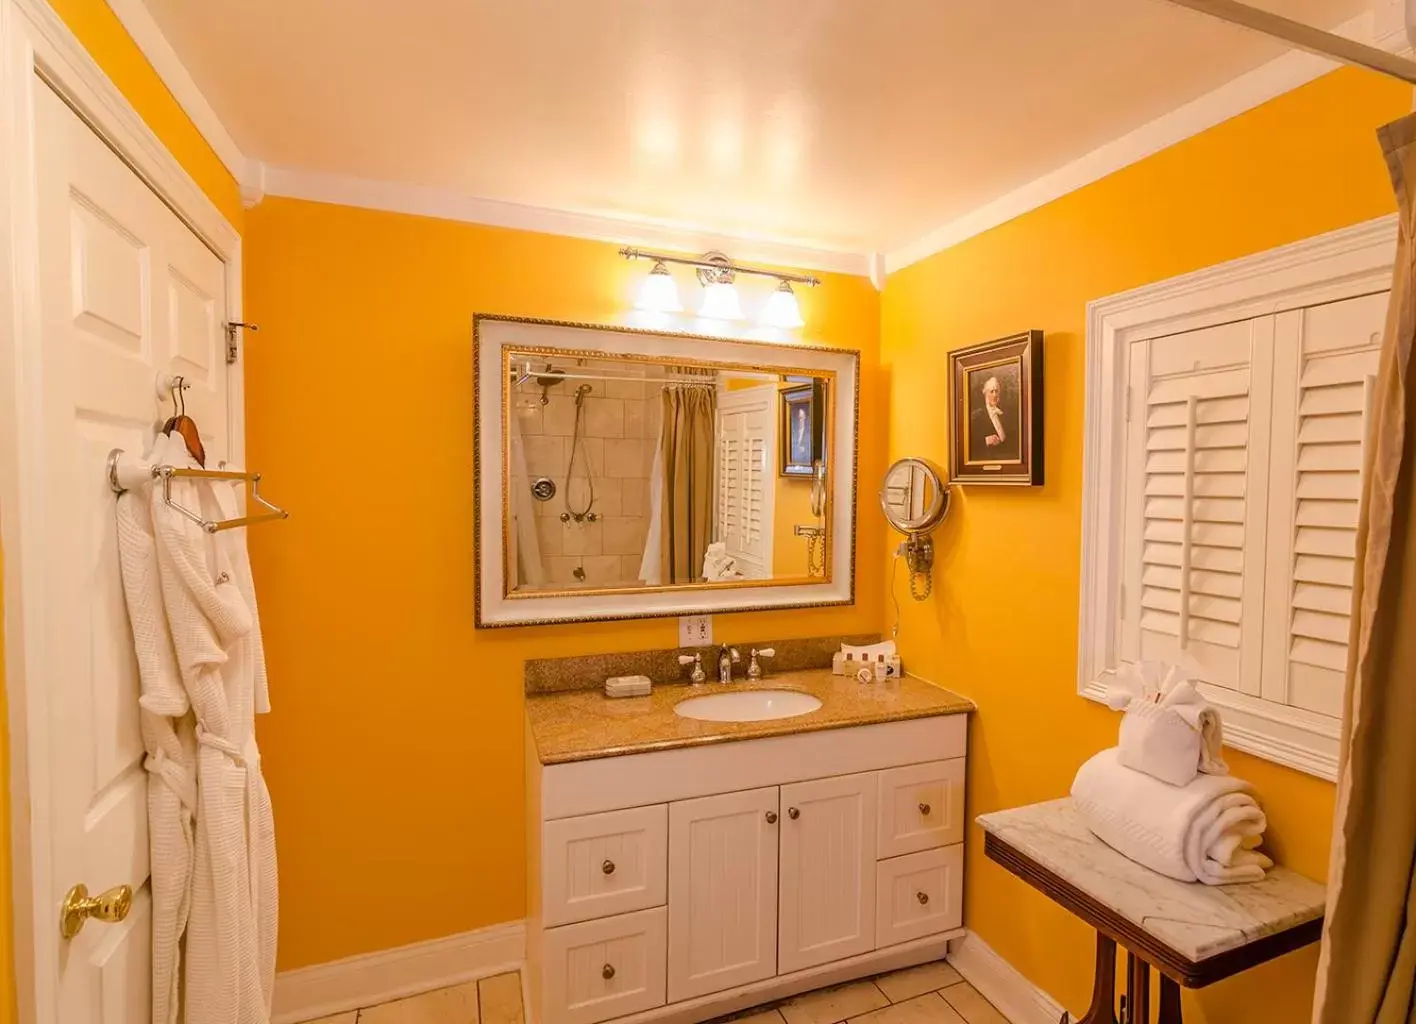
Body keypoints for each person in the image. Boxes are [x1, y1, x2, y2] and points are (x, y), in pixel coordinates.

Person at [969, 374, 1020, 462]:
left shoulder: (1007, 412)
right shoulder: (976, 416)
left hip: (1009, 459)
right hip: (988, 460)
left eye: (996, 391)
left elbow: (1016, 438)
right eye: (991, 391)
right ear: (985, 393)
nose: (995, 395)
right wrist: (985, 441)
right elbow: (968, 444)